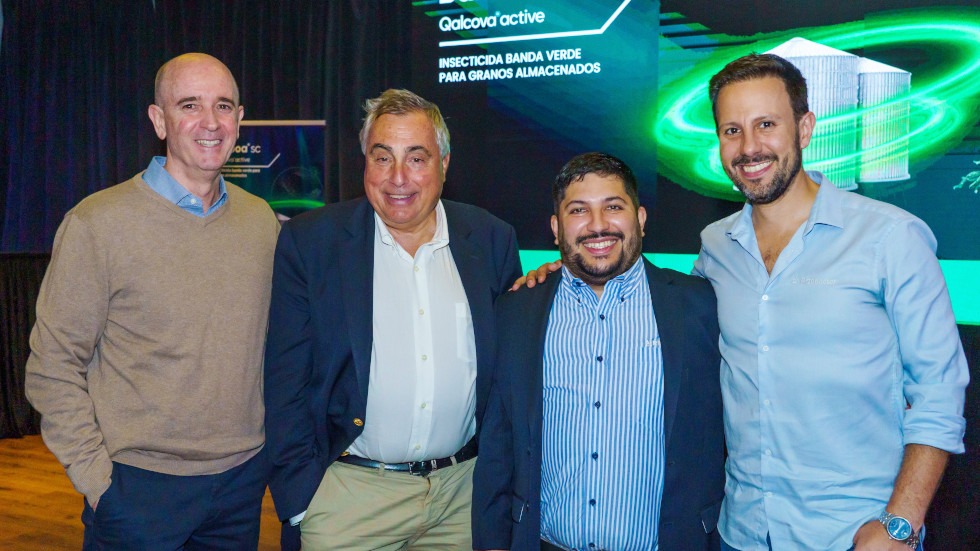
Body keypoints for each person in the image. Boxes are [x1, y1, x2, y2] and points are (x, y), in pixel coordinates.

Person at [694, 53, 969, 550]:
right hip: (741, 533)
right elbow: (663, 315)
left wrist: (900, 525)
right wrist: (566, 275)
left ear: (805, 129)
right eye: (732, 130)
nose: (749, 147)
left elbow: (939, 392)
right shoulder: (715, 247)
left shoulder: (891, 237)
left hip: (854, 536)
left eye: (766, 124)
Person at [25, 53, 279, 549]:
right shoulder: (97, 224)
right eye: (190, 105)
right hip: (137, 490)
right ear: (159, 120)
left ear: (240, 119)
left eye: (223, 106)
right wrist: (99, 483)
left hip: (241, 486)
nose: (210, 122)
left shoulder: (260, 222)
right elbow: (52, 365)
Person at [263, 88, 523, 550]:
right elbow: (285, 381)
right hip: (349, 501)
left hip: (461, 501)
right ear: (365, 162)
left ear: (444, 164)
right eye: (382, 157)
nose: (398, 177)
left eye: (416, 158)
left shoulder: (491, 239)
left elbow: (508, 374)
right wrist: (302, 500)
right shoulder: (312, 243)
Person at [473, 152, 725, 551]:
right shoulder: (517, 312)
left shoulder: (700, 306)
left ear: (640, 218)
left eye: (613, 206)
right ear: (556, 229)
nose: (597, 225)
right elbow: (497, 450)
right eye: (578, 210)